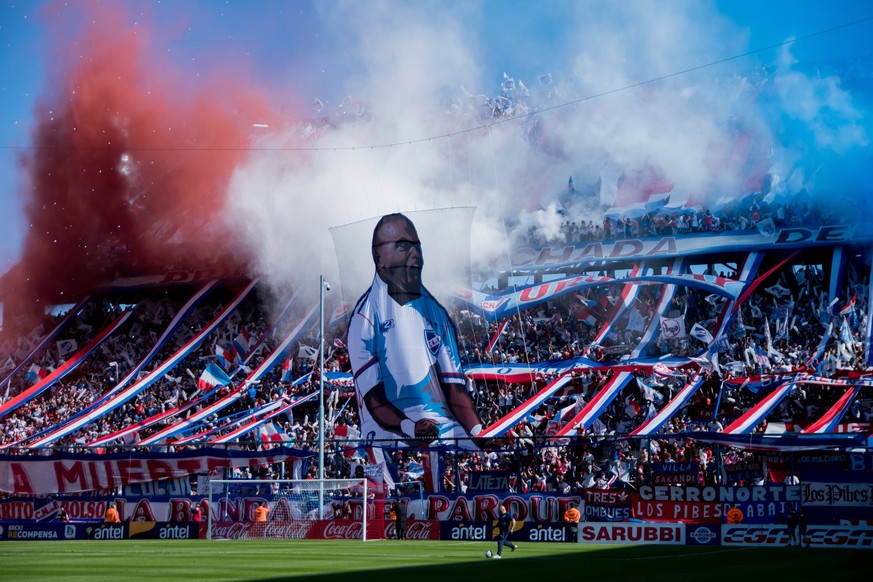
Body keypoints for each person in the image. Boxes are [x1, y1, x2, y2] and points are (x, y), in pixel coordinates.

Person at [348, 213, 484, 448]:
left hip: (439, 427)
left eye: (416, 247)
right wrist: (411, 427)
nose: (415, 254)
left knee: (485, 452)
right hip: (389, 430)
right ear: (380, 259)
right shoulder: (365, 318)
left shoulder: (436, 314)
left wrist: (480, 433)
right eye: (403, 247)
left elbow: (454, 389)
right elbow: (374, 399)